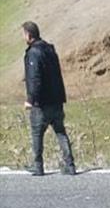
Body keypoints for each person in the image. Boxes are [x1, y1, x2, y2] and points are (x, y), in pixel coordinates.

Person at [22, 21, 76, 176]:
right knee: (60, 131)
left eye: (24, 34)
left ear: (28, 35)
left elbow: (35, 78)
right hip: (56, 100)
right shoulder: (50, 50)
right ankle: (70, 164)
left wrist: (30, 99)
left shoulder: (33, 53)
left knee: (37, 133)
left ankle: (38, 165)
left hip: (42, 102)